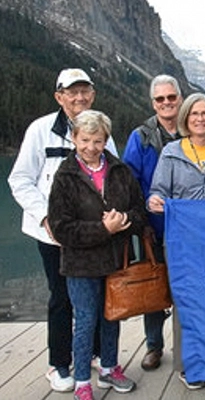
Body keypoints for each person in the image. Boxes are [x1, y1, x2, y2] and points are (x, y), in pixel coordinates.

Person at [7, 68, 115, 392]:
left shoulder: (102, 129)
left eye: (85, 91)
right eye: (72, 92)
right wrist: (45, 218)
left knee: (96, 295)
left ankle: (95, 353)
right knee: (61, 298)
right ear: (59, 97)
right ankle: (59, 364)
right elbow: (20, 179)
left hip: (95, 234)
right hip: (52, 234)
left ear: (93, 94)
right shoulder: (40, 130)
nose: (79, 97)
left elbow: (116, 176)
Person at [47, 110, 146, 400]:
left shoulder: (120, 171)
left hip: (115, 261)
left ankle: (109, 368)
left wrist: (123, 220)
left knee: (112, 316)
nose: (91, 147)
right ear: (75, 138)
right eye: (85, 140)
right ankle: (81, 382)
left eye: (98, 140)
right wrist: (104, 228)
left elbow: (139, 212)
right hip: (81, 265)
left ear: (106, 141)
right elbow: (61, 228)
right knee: (87, 319)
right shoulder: (65, 177)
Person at [148, 93, 205, 390]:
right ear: (185, 117)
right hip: (182, 240)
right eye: (194, 113)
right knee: (186, 301)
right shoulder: (171, 152)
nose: (199, 118)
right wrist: (155, 201)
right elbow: (156, 192)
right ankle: (188, 364)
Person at [122, 74, 183, 371]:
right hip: (153, 227)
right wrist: (141, 220)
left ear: (180, 98)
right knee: (154, 287)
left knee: (190, 289)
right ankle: (154, 346)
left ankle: (192, 345)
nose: (167, 103)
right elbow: (129, 180)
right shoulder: (141, 136)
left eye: (171, 97)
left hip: (191, 229)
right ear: (153, 103)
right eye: (160, 99)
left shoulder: (193, 128)